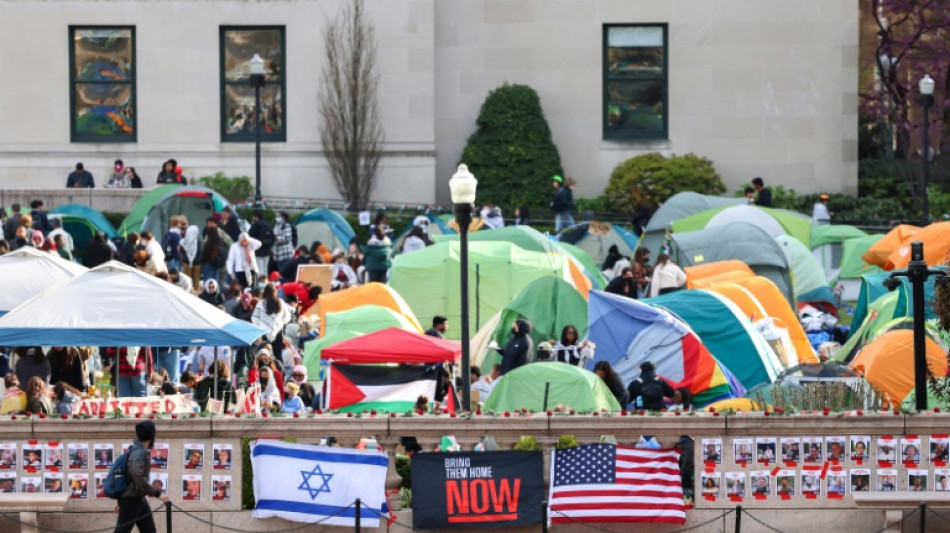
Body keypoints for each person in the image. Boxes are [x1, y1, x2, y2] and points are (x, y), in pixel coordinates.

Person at [114, 420, 168, 533]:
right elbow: (137, 476)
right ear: (151, 436)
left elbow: (118, 474)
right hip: (131, 500)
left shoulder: (134, 450)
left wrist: (120, 499)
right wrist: (158, 493)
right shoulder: (138, 453)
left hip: (138, 498)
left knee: (149, 531)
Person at [252, 284, 292, 350]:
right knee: (277, 353)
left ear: (265, 292)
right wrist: (280, 323)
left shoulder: (261, 303)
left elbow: (255, 318)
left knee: (264, 352)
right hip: (277, 331)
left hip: (263, 333)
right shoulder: (281, 302)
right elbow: (287, 317)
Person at [247, 210, 274, 276]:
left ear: (255, 217)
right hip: (267, 250)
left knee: (259, 269)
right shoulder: (267, 225)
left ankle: (260, 282)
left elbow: (249, 235)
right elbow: (272, 238)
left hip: (258, 251)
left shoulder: (255, 225)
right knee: (265, 269)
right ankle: (265, 281)